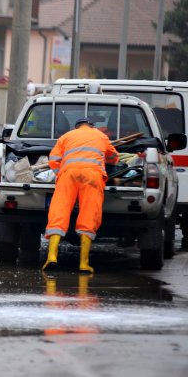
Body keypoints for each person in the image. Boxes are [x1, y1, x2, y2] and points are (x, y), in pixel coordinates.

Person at [42, 117, 119, 273]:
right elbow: (113, 158)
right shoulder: (101, 136)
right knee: (89, 215)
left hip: (68, 175)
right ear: (91, 126)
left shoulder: (66, 136)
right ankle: (84, 263)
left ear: (76, 127)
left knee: (59, 212)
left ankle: (51, 257)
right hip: (92, 176)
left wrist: (60, 174)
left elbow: (54, 159)